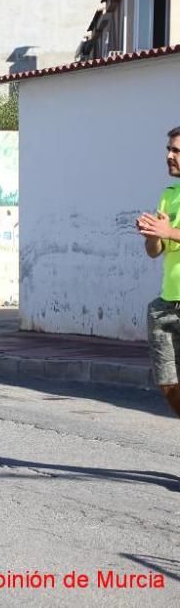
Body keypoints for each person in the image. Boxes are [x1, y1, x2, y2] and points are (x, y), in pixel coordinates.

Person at [137, 125, 180, 419]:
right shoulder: (169, 194)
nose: (169, 155)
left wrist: (171, 231)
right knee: (167, 381)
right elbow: (155, 252)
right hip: (167, 304)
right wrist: (153, 236)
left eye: (176, 150)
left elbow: (172, 234)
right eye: (168, 149)